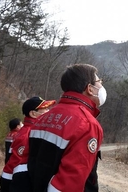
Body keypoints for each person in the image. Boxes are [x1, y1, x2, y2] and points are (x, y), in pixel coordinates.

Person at [28, 64, 106, 192]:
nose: (102, 86)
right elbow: (68, 184)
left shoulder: (43, 118)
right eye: (99, 82)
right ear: (90, 89)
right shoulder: (87, 124)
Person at [0, 96, 56, 192]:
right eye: (45, 109)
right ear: (33, 113)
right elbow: (16, 163)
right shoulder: (28, 134)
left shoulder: (33, 130)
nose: (48, 111)